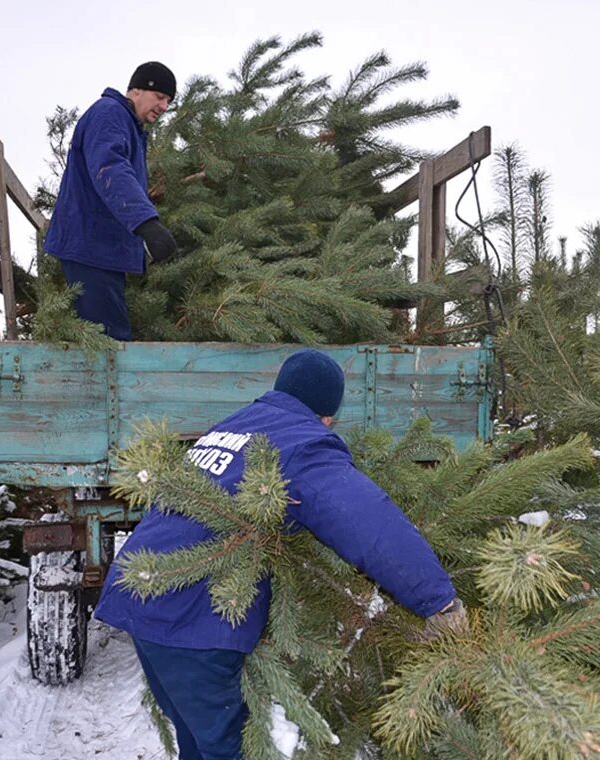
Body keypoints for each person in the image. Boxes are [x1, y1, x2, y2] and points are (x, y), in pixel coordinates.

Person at [94, 349, 468, 760]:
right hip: (190, 618)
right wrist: (438, 599)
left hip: (141, 590)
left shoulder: (234, 427)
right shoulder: (301, 443)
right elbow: (369, 522)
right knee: (231, 749)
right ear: (326, 414)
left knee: (199, 742)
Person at [43, 61, 180, 341]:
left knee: (110, 335)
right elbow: (111, 169)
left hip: (100, 249)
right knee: (108, 342)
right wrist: (147, 225)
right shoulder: (110, 114)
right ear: (137, 91)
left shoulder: (128, 125)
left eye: (169, 102)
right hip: (91, 247)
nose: (164, 107)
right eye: (160, 97)